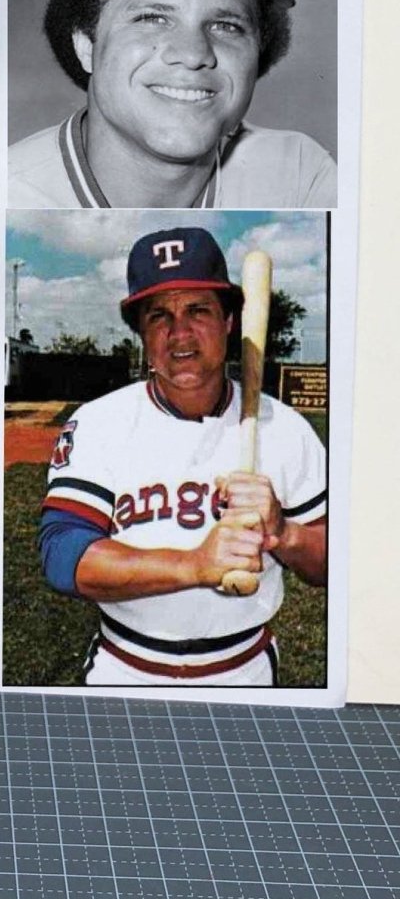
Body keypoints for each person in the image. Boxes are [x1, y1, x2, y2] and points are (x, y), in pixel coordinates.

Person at [38, 227, 327, 685]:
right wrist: (195, 565)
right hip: (124, 667)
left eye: (198, 311)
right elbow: (63, 555)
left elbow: (332, 563)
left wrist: (283, 531)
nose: (180, 334)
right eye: (159, 316)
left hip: (244, 671)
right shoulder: (100, 422)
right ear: (142, 334)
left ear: (230, 321)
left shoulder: (286, 428)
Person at [8, 0, 336, 209]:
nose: (193, 54)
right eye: (153, 19)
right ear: (85, 44)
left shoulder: (298, 178)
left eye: (226, 26)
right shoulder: (1, 195)